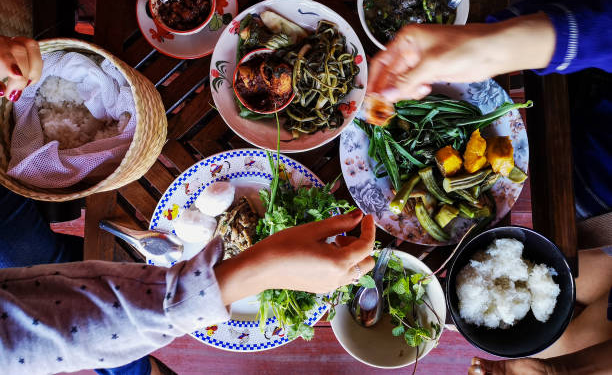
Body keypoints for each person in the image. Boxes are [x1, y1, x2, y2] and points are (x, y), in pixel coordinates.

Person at [0, 36, 377, 374]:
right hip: (116, 317)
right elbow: (46, 333)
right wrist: (262, 269)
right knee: (47, 276)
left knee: (38, 257)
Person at [367, 0, 612, 374]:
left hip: (589, 207)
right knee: (558, 315)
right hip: (594, 144)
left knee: (552, 339)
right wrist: (492, 48)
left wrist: (565, 371)